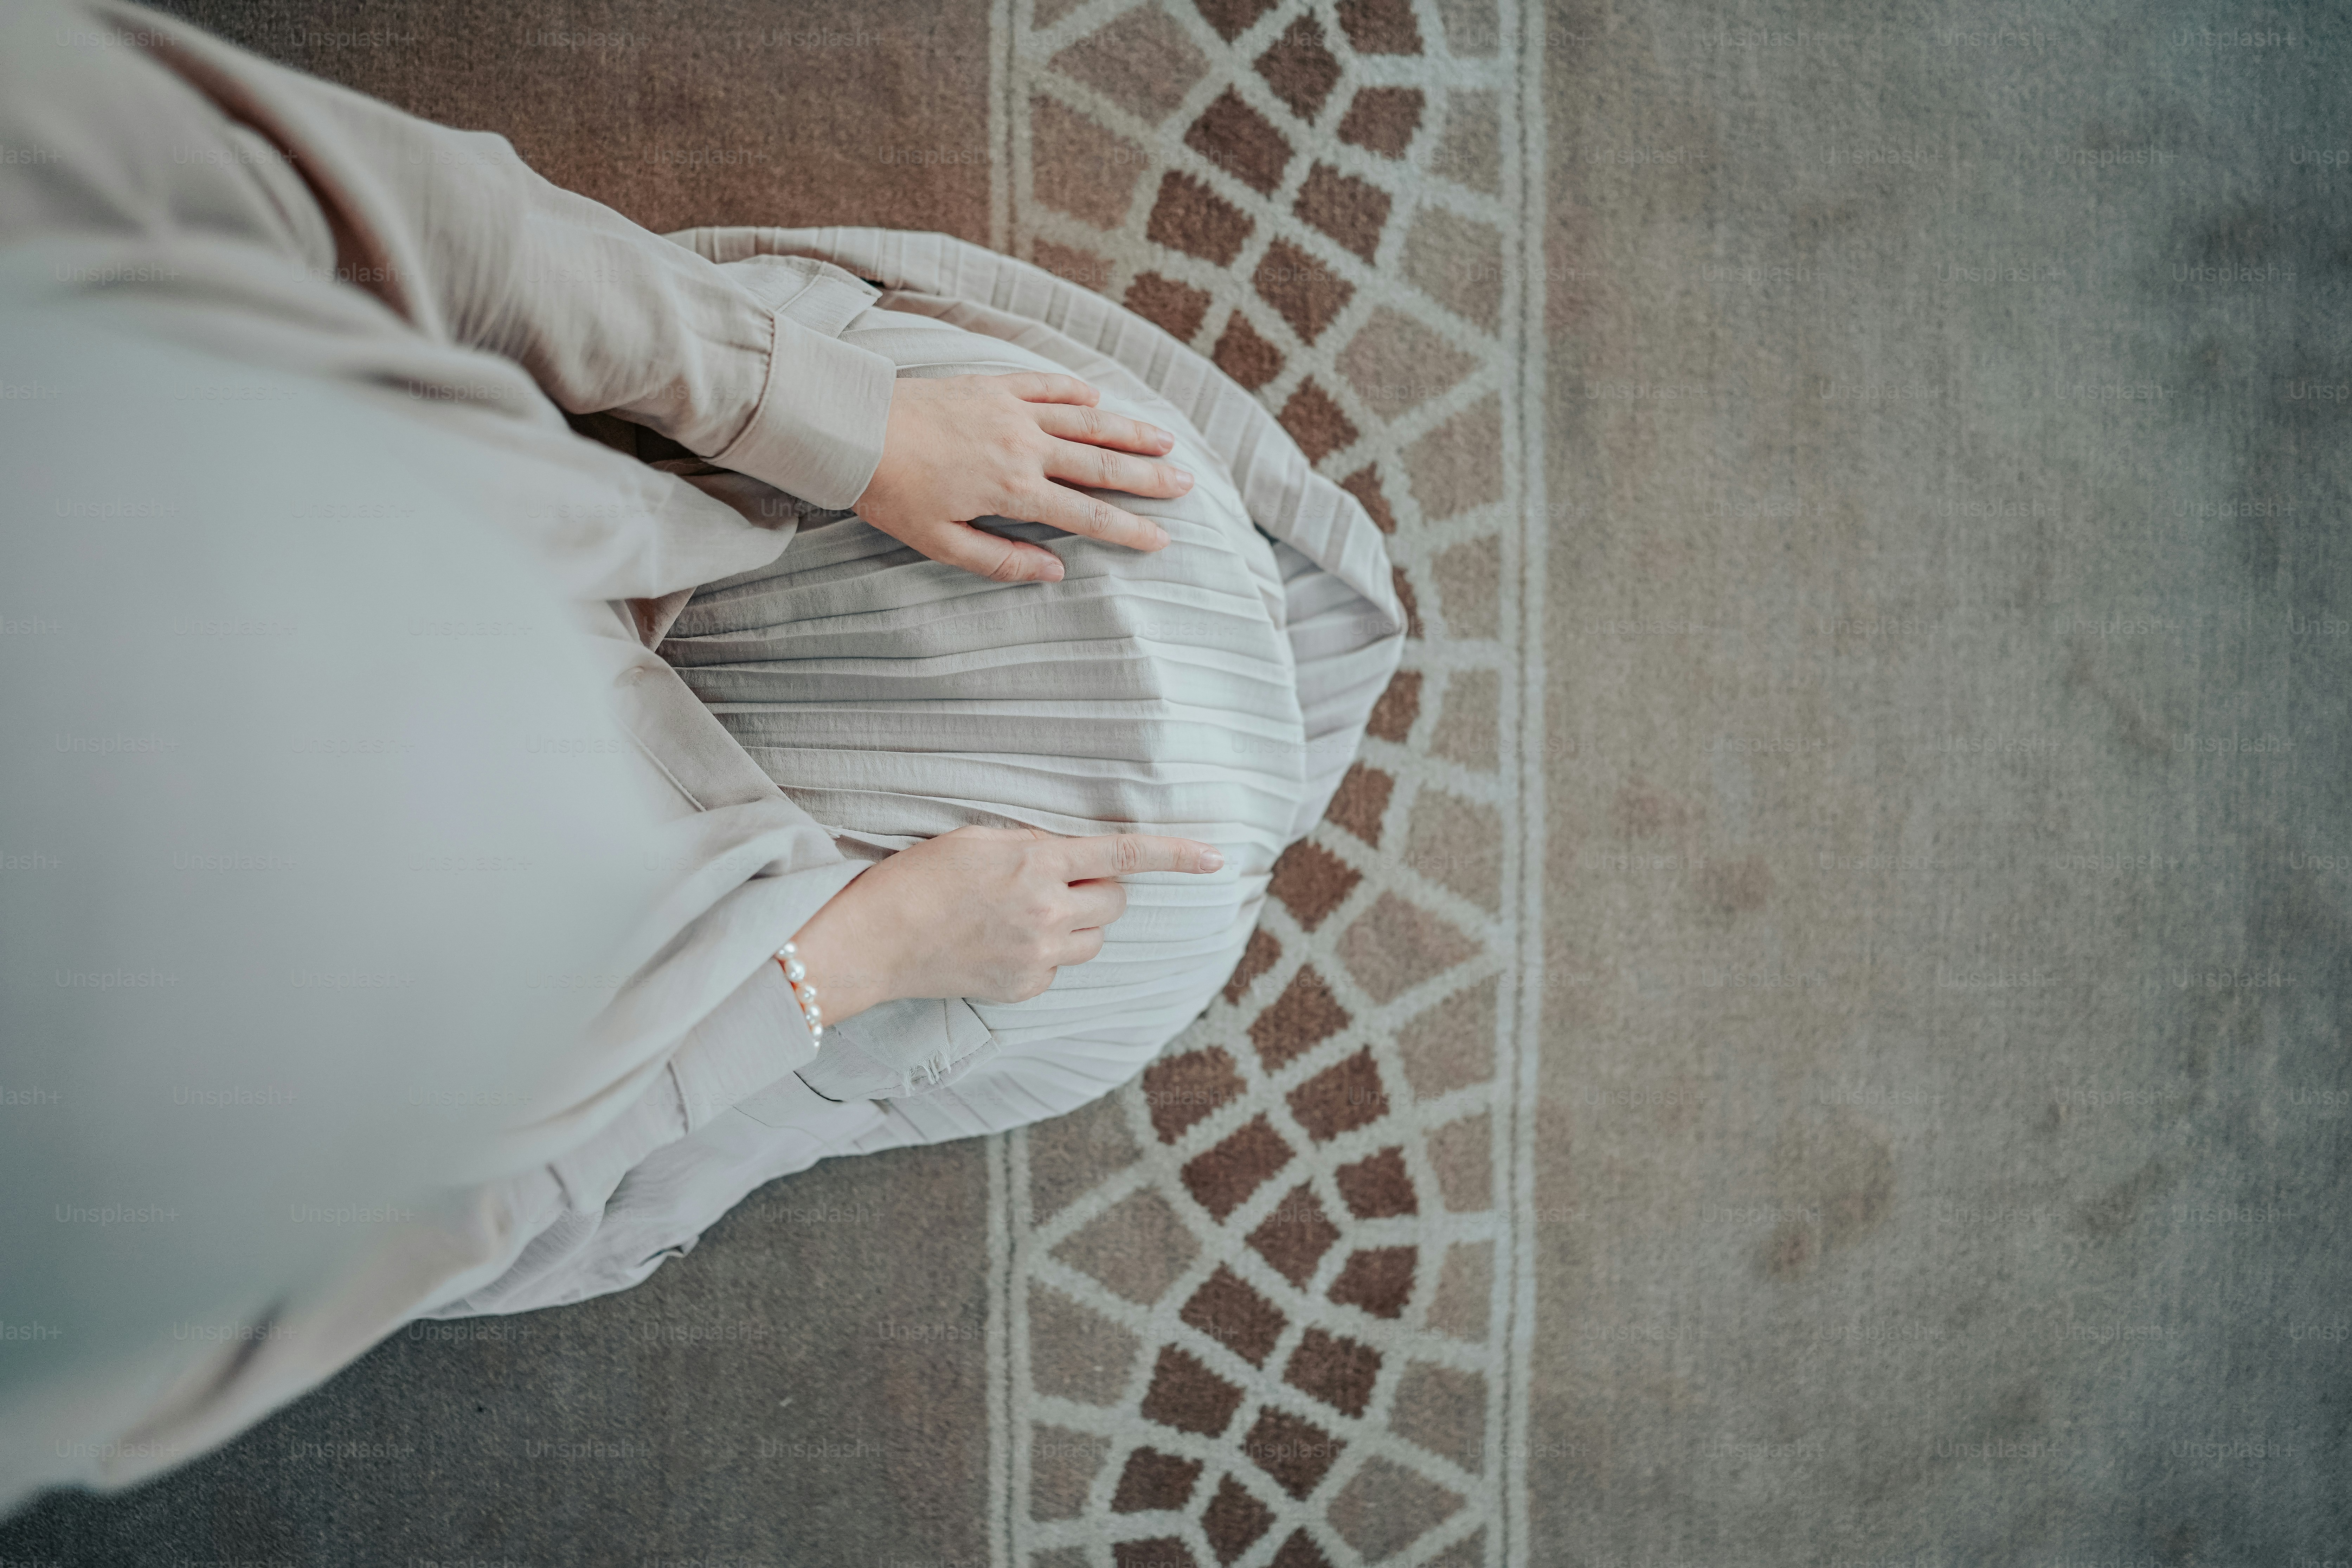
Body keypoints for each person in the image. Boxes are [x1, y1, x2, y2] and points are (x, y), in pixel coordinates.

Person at [0, 0, 1403, 1507]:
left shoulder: (77, 226)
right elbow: (443, 1217)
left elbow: (411, 218)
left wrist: (837, 421)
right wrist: (838, 964)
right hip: (610, 941)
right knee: (1117, 878)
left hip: (566, 560)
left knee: (1130, 592)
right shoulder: (117, 1224)